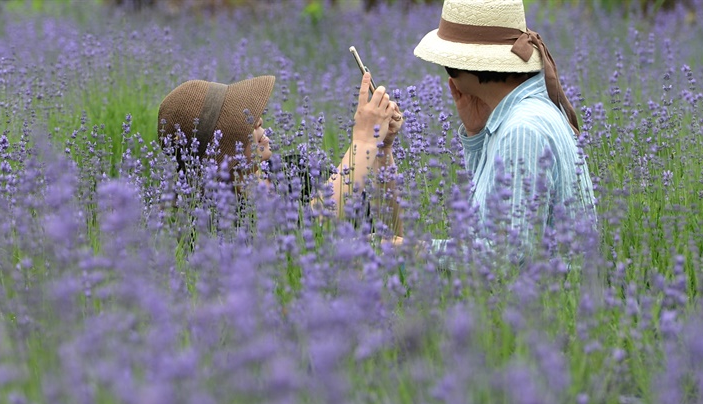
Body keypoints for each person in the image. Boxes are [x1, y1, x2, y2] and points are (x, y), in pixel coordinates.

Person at [410, 0, 596, 260]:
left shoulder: (522, 129)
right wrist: (476, 134)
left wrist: (417, 251)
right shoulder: (525, 111)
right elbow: (488, 218)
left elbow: (509, 256)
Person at [157, 73, 403, 230]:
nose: (259, 121)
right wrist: (364, 141)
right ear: (220, 151)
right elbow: (309, 234)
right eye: (242, 122)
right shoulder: (214, 219)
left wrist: (382, 150)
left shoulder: (295, 170)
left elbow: (388, 231)